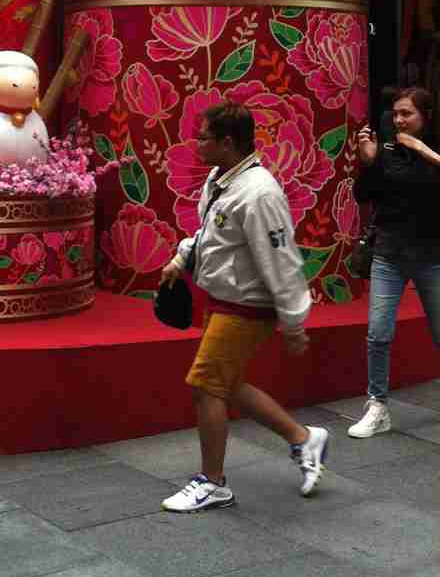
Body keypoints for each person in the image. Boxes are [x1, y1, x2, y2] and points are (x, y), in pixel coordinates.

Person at [158, 102, 327, 511]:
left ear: (228, 142)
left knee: (206, 385)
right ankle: (304, 439)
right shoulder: (220, 178)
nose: (197, 144)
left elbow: (282, 260)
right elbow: (211, 233)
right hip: (223, 298)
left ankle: (213, 483)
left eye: (203, 138)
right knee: (226, 384)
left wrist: (293, 321)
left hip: (248, 305)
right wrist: (182, 258)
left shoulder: (260, 193)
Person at [349, 86, 440, 437]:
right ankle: (378, 406)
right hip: (388, 255)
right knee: (378, 333)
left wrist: (422, 150)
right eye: (396, 114)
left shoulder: (432, 151)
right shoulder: (386, 152)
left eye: (407, 113)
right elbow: (363, 195)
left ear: (425, 116)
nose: (399, 120)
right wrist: (369, 163)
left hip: (432, 257)